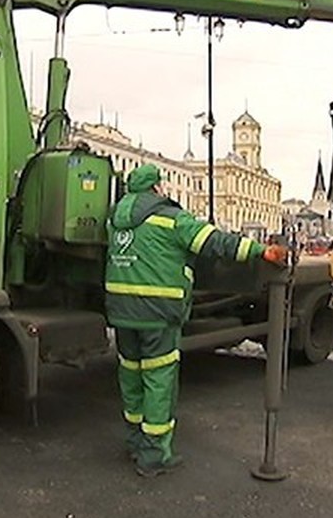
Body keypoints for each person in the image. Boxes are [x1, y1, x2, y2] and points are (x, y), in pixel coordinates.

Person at [104, 163, 288, 477]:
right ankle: (154, 456)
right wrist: (261, 251)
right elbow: (216, 242)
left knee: (131, 378)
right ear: (156, 187)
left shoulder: (115, 219)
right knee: (158, 381)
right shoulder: (172, 219)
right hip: (158, 313)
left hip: (122, 310)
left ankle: (135, 441)